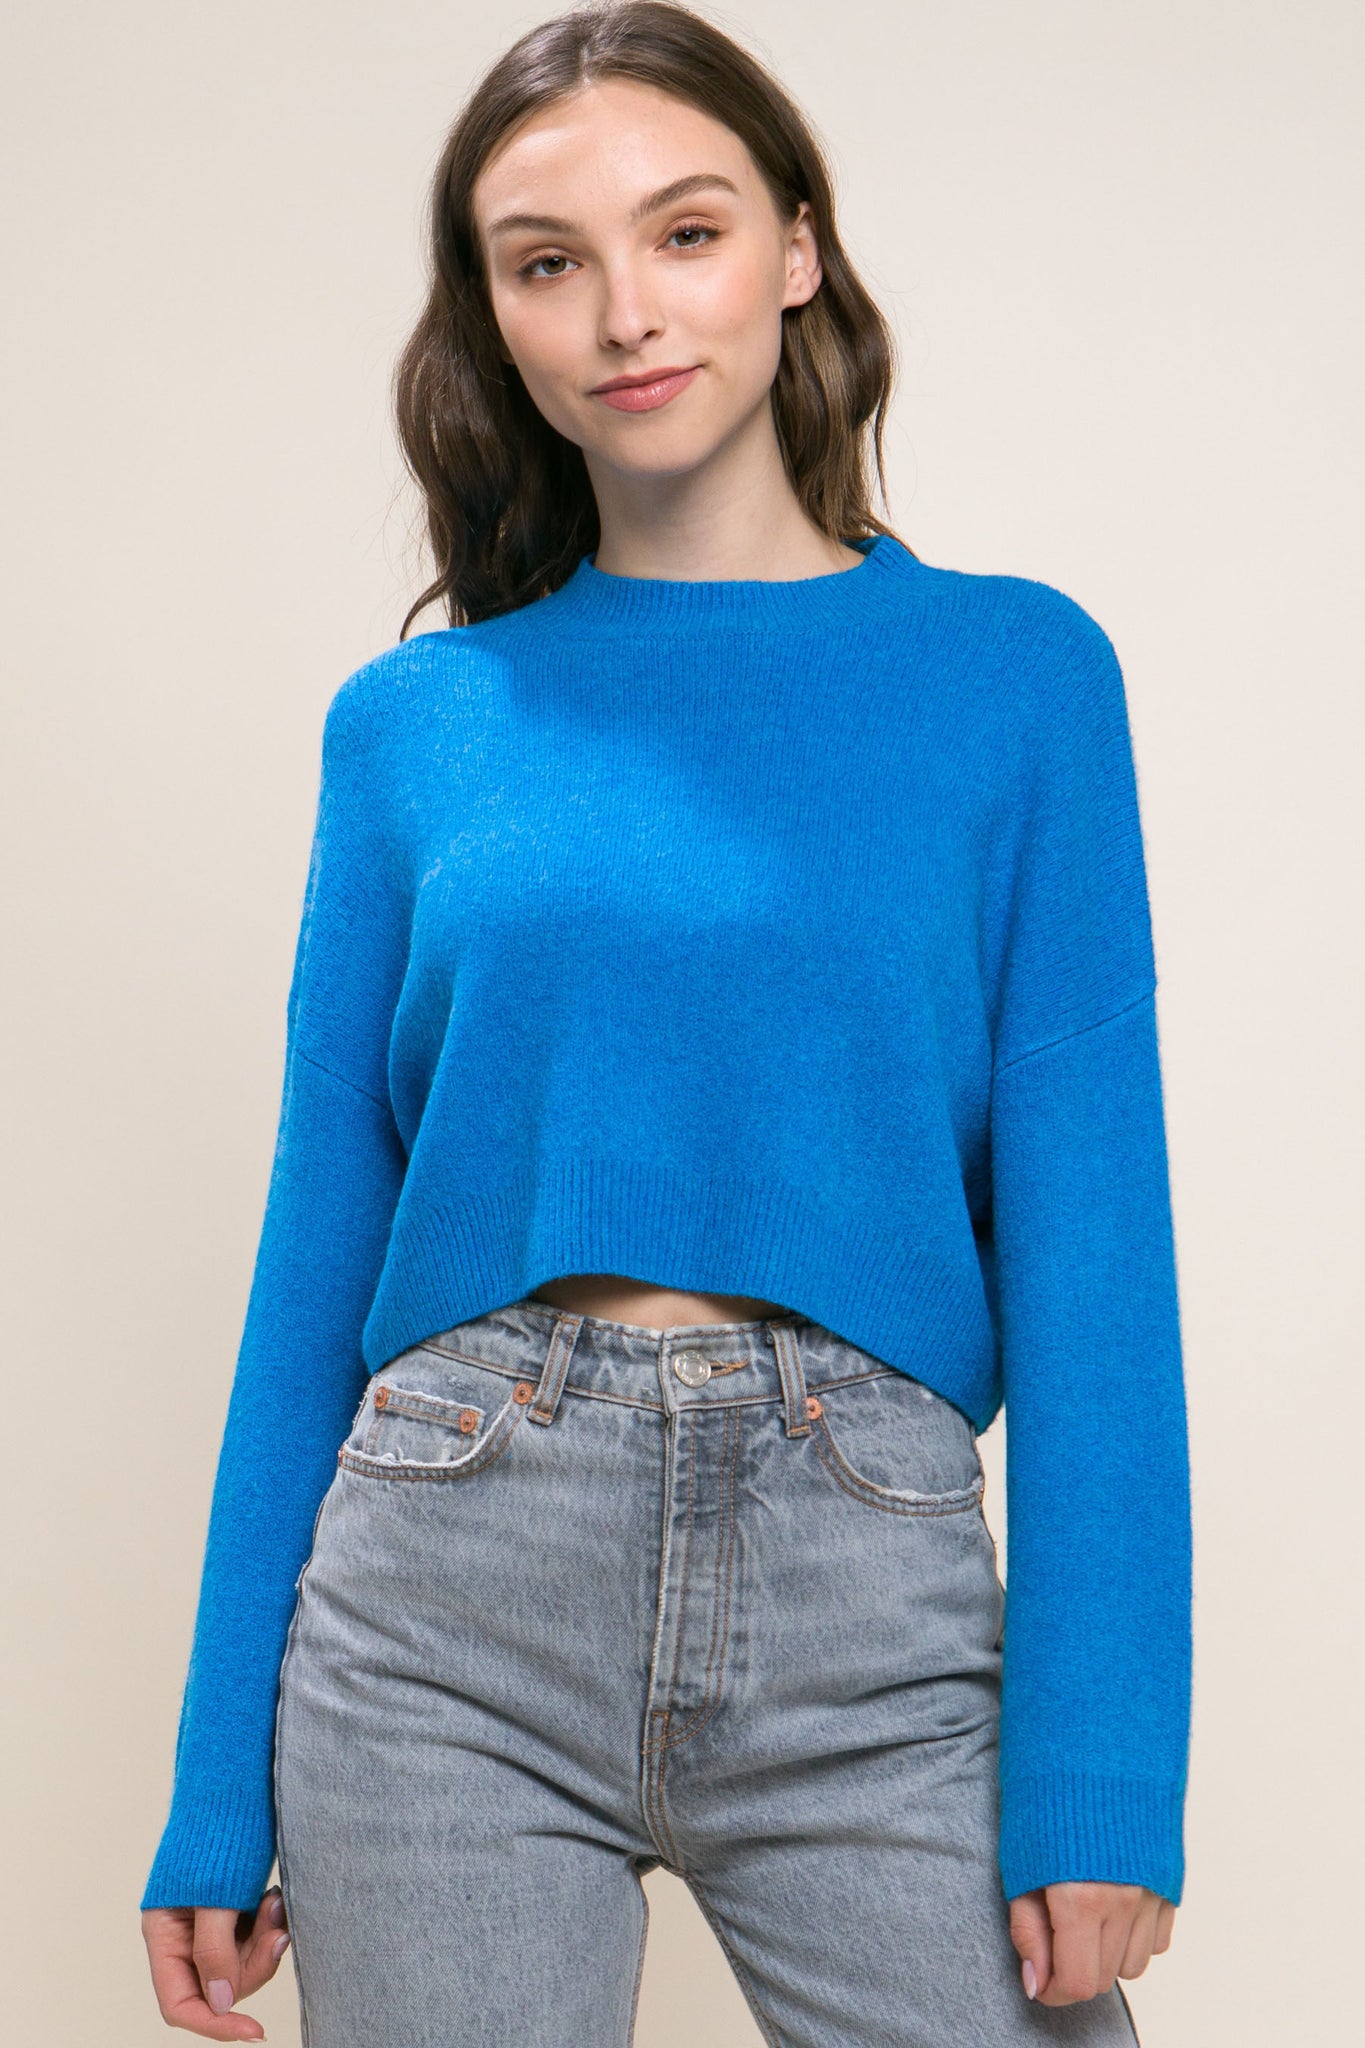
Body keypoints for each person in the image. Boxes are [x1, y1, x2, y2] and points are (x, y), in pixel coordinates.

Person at [139, 5, 1192, 2042]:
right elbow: (317, 1256)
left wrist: (1102, 1766)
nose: (624, 310)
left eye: (684, 232)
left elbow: (1093, 1247)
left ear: (795, 247)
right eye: (547, 261)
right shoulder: (416, 730)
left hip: (867, 1587)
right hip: (441, 1603)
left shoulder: (1014, 677)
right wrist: (211, 1782)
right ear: (495, 319)